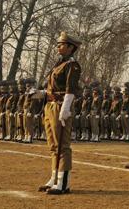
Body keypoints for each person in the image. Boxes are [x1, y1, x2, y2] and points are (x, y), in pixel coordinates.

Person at [38, 31, 82, 195]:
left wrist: (65, 108)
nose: (58, 46)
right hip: (50, 105)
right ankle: (54, 178)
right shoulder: (58, 64)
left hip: (60, 105)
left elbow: (71, 89)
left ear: (71, 48)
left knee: (62, 145)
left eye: (61, 44)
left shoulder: (72, 65)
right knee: (53, 145)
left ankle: (63, 183)